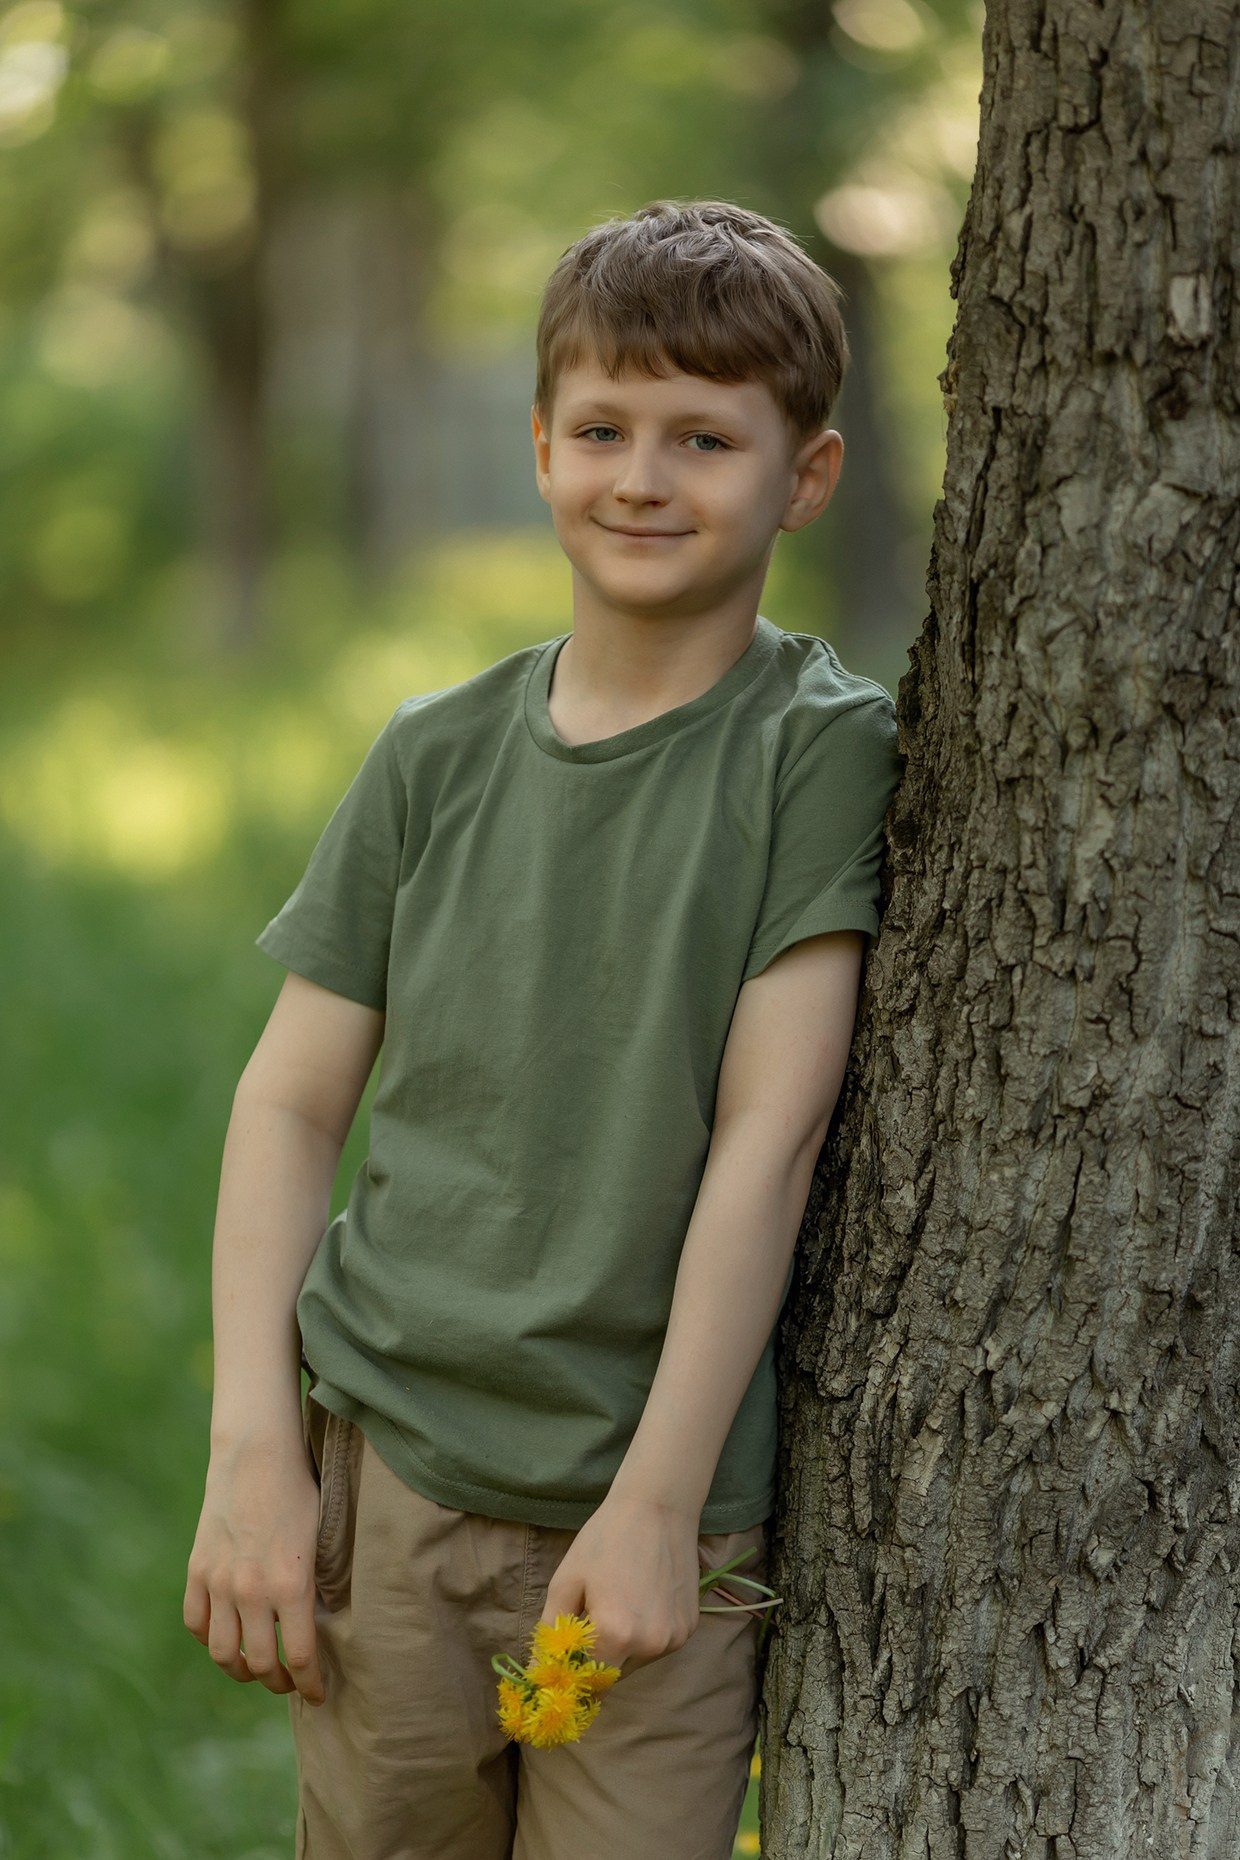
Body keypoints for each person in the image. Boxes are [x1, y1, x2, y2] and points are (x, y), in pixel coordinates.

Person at [183, 198, 904, 1860]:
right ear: (539, 447)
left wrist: (656, 1502)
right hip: (395, 1480)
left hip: (653, 1519)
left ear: (804, 475)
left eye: (703, 437)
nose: (642, 475)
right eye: (602, 428)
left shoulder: (818, 754)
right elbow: (287, 1107)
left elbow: (768, 1135)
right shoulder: (430, 754)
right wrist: (254, 1455)